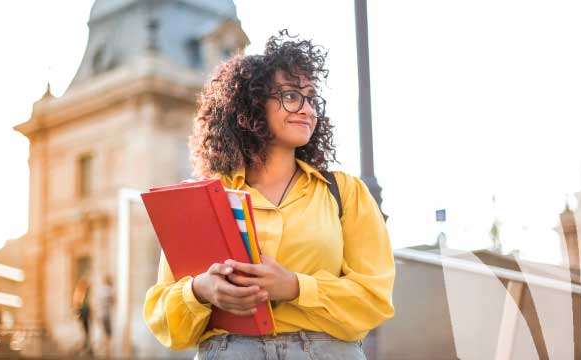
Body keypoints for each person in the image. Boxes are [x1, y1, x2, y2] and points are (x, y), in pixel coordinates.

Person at [143, 30, 395, 359]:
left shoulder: (345, 193)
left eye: (311, 97)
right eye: (291, 96)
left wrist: (294, 286)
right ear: (252, 105)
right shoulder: (204, 200)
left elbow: (375, 300)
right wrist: (201, 290)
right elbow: (166, 320)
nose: (307, 109)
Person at [72, 277, 92, 355]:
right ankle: (84, 345)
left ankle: (86, 344)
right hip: (83, 312)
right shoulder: (79, 292)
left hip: (85, 312)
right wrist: (77, 312)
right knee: (85, 329)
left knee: (86, 329)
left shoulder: (84, 292)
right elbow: (77, 303)